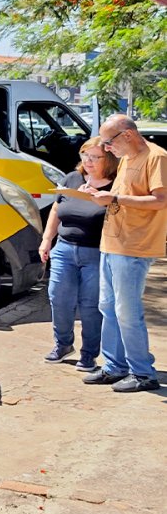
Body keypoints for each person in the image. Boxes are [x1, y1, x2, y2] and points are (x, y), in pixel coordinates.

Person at [83, 115, 167, 392]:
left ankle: (143, 373)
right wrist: (96, 193)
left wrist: (115, 199)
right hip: (112, 244)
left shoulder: (156, 157)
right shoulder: (128, 158)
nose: (107, 149)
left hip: (134, 247)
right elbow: (120, 194)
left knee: (127, 312)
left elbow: (160, 200)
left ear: (127, 135)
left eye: (109, 142)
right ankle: (114, 366)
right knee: (108, 307)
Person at [39, 137, 118, 371]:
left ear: (109, 159)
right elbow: (56, 207)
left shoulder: (116, 185)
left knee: (90, 305)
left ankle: (89, 354)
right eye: (85, 155)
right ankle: (62, 344)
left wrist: (99, 198)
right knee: (59, 298)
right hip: (64, 248)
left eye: (95, 157)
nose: (89, 161)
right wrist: (46, 240)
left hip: (96, 251)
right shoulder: (72, 178)